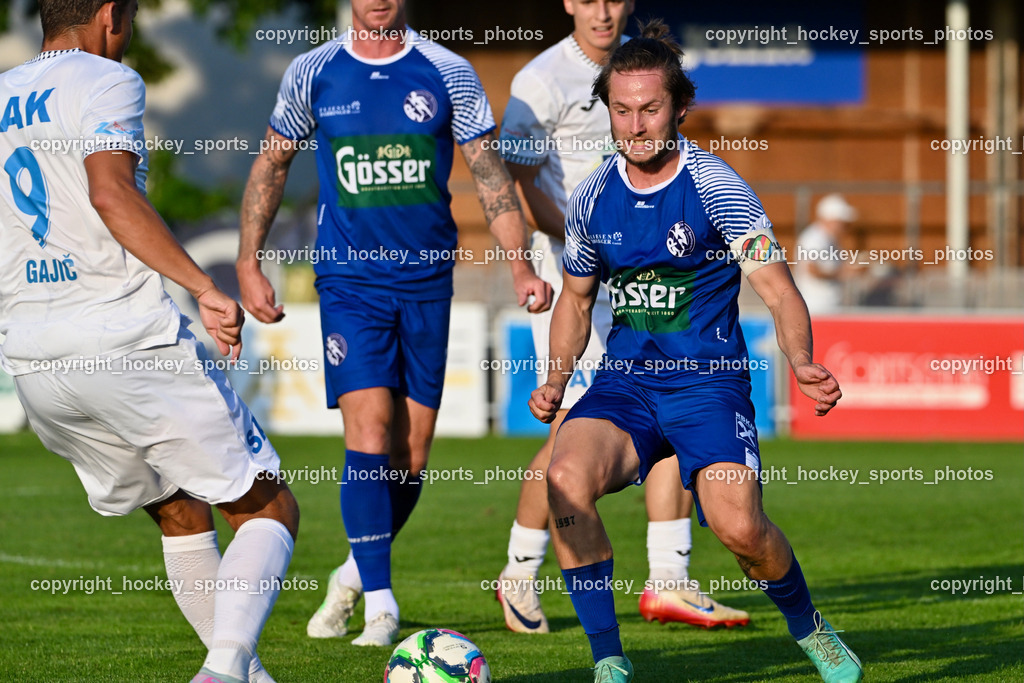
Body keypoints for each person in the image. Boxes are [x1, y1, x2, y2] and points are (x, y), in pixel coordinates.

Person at [528, 20, 863, 683]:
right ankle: (609, 659)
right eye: (621, 110)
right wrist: (556, 379)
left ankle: (810, 628)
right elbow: (575, 299)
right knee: (562, 478)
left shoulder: (716, 187)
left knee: (741, 531)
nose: (635, 125)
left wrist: (800, 360)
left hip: (708, 385)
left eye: (649, 109)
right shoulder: (592, 196)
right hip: (627, 385)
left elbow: (778, 289)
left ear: (680, 106)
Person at [237, 0, 551, 648]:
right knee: (370, 427)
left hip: (428, 282)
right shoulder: (313, 71)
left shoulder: (447, 69)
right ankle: (382, 606)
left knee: (412, 455)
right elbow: (272, 163)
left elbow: (489, 173)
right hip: (349, 280)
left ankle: (353, 575)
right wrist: (248, 260)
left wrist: (520, 265)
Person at [0, 2, 299, 683]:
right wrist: (204, 286)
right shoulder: (105, 78)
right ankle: (223, 673)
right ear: (111, 14)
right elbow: (111, 195)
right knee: (267, 505)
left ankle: (240, 675)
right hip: (125, 340)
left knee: (179, 508)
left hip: (35, 359)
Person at [495, 0, 748, 633]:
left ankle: (669, 577)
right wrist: (593, 237)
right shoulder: (541, 78)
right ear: (568, 3)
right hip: (579, 278)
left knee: (673, 406)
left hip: (646, 273)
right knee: (571, 434)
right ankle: (519, 571)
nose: (603, 11)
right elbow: (517, 181)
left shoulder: (646, 69)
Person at [794, 193, 858, 314]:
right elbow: (812, 269)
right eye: (841, 222)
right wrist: (842, 273)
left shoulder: (828, 238)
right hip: (817, 307)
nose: (845, 226)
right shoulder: (814, 238)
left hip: (828, 306)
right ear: (830, 219)